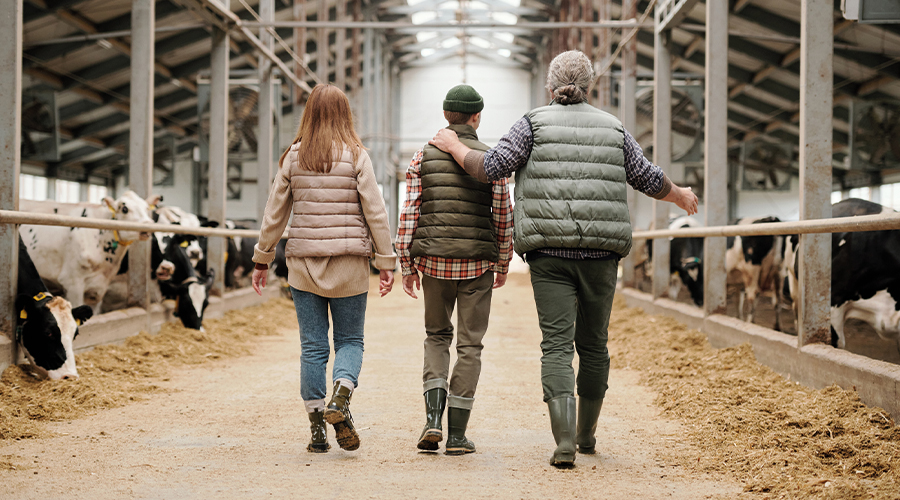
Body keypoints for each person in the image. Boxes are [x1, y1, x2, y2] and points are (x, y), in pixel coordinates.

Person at [429, 51, 698, 467]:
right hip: (602, 255)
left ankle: (565, 441)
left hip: (549, 253)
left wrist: (451, 144)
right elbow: (645, 175)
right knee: (594, 345)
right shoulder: (614, 127)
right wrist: (679, 193)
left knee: (556, 345)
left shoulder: (533, 122)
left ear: (550, 88)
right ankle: (588, 436)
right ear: (589, 86)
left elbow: (493, 168)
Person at [251, 84, 397, 454]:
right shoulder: (357, 155)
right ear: (345, 114)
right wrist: (386, 261)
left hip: (303, 267)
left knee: (312, 348)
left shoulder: (293, 157)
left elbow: (274, 213)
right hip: (349, 264)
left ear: (309, 114)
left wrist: (262, 258)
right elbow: (375, 212)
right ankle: (341, 397)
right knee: (350, 341)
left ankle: (317, 431)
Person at [396, 85, 514, 455]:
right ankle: (458, 435)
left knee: (436, 336)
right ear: (476, 117)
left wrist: (406, 263)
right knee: (470, 345)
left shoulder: (422, 157)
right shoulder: (490, 160)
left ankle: (432, 420)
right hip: (477, 263)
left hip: (433, 262)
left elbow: (409, 213)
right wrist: (503, 259)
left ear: (447, 115)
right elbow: (503, 215)